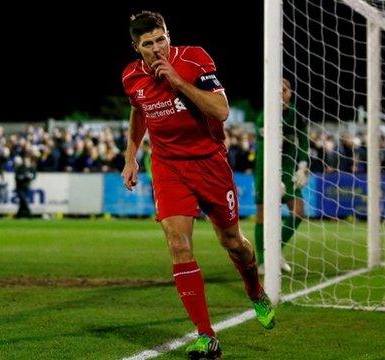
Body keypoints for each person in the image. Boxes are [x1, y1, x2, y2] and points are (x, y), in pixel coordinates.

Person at [120, 12, 274, 359]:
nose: (157, 48)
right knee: (178, 243)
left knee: (232, 242)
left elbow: (221, 111)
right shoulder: (131, 76)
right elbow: (138, 111)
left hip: (209, 163)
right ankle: (206, 335)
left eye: (161, 39)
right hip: (168, 166)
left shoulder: (193, 59)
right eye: (148, 44)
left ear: (168, 35)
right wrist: (131, 156)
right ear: (136, 48)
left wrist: (178, 82)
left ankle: (254, 290)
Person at [254, 79, 309, 274]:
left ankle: (274, 252)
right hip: (265, 169)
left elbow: (303, 142)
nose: (281, 94)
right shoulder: (265, 116)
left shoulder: (296, 116)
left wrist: (303, 166)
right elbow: (267, 149)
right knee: (263, 214)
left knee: (299, 211)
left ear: (290, 93)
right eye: (277, 91)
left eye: (284, 90)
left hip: (287, 168)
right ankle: (262, 261)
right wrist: (273, 178)